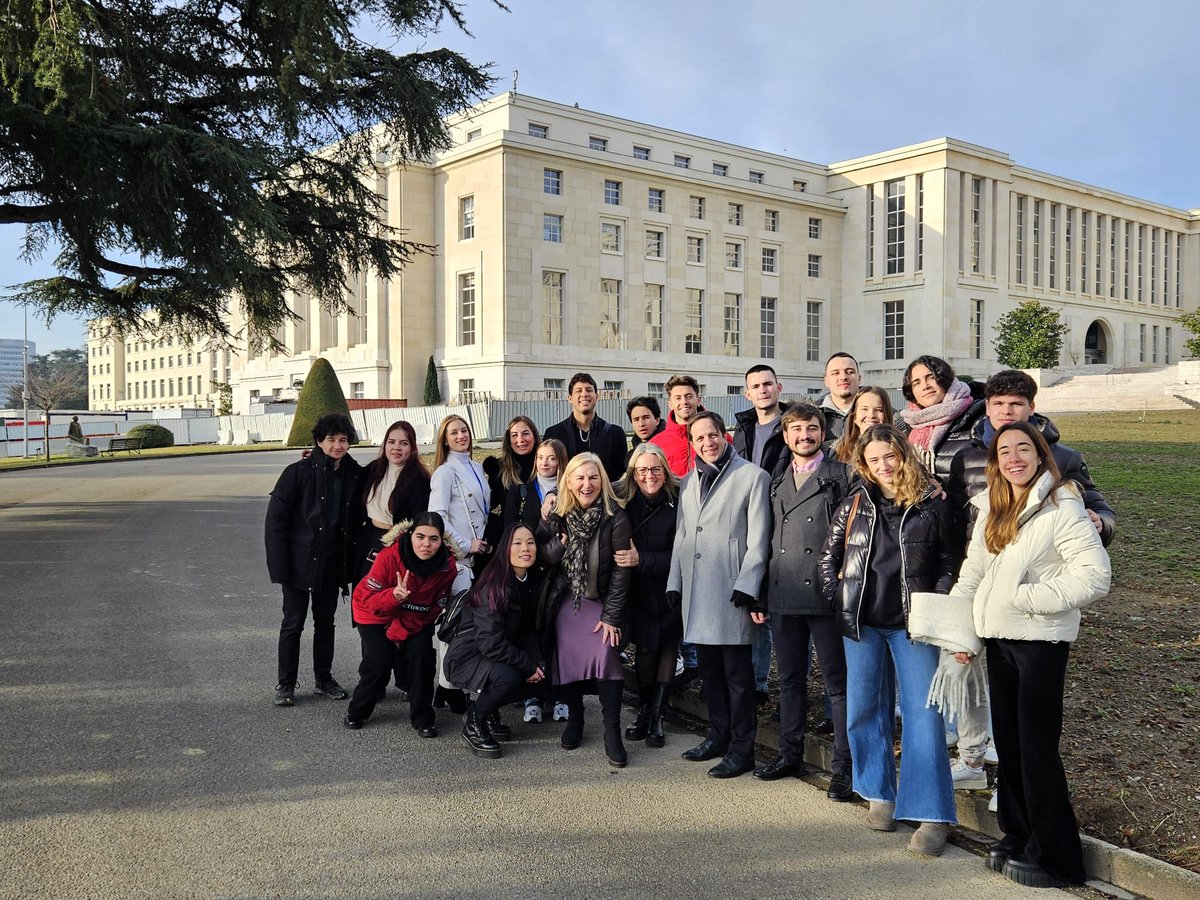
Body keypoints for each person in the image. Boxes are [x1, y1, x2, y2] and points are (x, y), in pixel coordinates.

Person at [946, 422, 1110, 887]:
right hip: (999, 641)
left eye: (1024, 449)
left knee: (1037, 751)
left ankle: (1059, 858)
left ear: (1041, 455)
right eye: (1004, 451)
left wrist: (1026, 597)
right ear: (995, 461)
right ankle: (1018, 836)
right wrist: (961, 633)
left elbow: (1095, 576)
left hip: (1040, 642)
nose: (1014, 458)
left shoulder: (1063, 505)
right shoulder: (993, 507)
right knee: (1012, 748)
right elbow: (973, 571)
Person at [943, 369, 1117, 789]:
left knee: (1029, 730)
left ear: (1032, 409)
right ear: (987, 408)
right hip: (983, 595)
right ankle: (983, 776)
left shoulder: (1065, 465)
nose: (1006, 412)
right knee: (987, 702)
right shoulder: (966, 457)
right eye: (998, 404)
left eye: (1016, 405)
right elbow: (955, 529)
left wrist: (1102, 524)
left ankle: (1022, 804)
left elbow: (1096, 515)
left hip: (1030, 610)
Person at [818, 424, 960, 856]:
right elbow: (829, 558)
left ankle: (932, 812)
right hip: (862, 625)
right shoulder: (855, 503)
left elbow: (951, 560)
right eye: (874, 459)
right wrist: (836, 593)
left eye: (890, 456)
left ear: (904, 454)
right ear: (864, 463)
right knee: (864, 709)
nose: (884, 466)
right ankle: (880, 792)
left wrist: (934, 601)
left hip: (912, 626)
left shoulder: (931, 503)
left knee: (924, 715)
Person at [754, 404, 853, 801]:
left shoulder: (842, 475)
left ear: (822, 433)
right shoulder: (778, 479)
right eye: (796, 430)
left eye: (811, 429)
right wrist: (762, 592)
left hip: (826, 595)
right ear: (785, 434)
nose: (804, 436)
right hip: (783, 593)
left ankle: (843, 770)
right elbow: (768, 540)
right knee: (790, 681)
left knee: (837, 686)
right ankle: (789, 753)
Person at [666, 411, 771, 779]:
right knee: (710, 674)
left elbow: (759, 539)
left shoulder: (752, 477)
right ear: (692, 444)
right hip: (697, 591)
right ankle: (718, 735)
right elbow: (682, 535)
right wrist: (673, 582)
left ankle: (743, 750)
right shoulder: (689, 480)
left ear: (724, 435)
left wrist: (748, 585)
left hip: (731, 591)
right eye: (699, 438)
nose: (707, 442)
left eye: (713, 435)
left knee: (738, 679)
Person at [537, 452, 634, 767]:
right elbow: (543, 556)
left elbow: (622, 572)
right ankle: (575, 717)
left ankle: (611, 730)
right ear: (569, 481)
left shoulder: (614, 516)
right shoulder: (558, 513)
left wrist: (612, 616)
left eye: (593, 477)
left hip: (602, 600)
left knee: (605, 653)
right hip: (566, 597)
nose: (586, 484)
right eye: (580, 477)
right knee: (567, 651)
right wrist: (560, 544)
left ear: (602, 480)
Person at [265, 413, 363, 707]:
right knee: (292, 623)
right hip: (298, 562)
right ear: (319, 441)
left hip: (331, 565)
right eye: (331, 439)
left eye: (343, 440)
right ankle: (285, 684)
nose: (337, 445)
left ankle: (323, 678)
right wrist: (279, 566)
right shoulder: (297, 472)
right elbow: (276, 522)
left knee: (326, 623)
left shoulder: (353, 474)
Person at [344, 512, 460, 734]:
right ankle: (357, 710)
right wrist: (393, 597)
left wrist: (399, 630)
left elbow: (435, 608)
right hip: (374, 610)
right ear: (410, 535)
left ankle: (423, 718)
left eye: (433, 539)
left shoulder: (448, 567)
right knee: (380, 659)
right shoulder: (389, 556)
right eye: (420, 537)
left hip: (415, 615)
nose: (426, 544)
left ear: (441, 541)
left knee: (422, 656)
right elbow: (368, 600)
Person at [445, 524, 548, 759]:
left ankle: (489, 711)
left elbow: (527, 629)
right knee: (509, 677)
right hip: (468, 656)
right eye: (517, 543)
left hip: (493, 652)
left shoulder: (527, 580)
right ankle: (475, 721)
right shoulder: (493, 586)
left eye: (530, 542)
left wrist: (537, 663)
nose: (526, 548)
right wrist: (526, 665)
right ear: (505, 549)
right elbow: (490, 642)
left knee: (543, 675)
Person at [614, 443, 680, 749]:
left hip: (670, 587)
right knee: (645, 650)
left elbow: (684, 553)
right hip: (638, 591)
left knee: (667, 647)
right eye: (642, 470)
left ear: (665, 472)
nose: (649, 475)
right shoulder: (622, 503)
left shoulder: (679, 503)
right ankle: (644, 708)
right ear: (633, 474)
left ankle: (657, 715)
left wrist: (644, 560)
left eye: (655, 469)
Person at [731, 363, 790, 706]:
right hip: (749, 518)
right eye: (756, 386)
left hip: (782, 518)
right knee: (752, 600)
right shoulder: (743, 428)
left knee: (772, 606)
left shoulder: (790, 424)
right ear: (747, 393)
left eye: (768, 384)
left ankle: (772, 684)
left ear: (779, 387)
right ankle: (754, 680)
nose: (763, 390)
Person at [501, 436, 568, 724]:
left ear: (560, 461)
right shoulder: (523, 491)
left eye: (551, 458)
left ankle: (561, 695)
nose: (545, 463)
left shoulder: (571, 489)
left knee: (559, 637)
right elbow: (511, 533)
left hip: (562, 577)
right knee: (532, 635)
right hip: (530, 573)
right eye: (541, 457)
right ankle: (532, 697)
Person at [428, 414, 490, 714]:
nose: (461, 435)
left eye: (464, 430)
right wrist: (465, 544)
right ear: (445, 438)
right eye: (454, 432)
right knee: (452, 626)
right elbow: (437, 516)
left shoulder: (476, 467)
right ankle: (448, 686)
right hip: (458, 560)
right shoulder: (444, 472)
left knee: (465, 624)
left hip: (476, 559)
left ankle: (446, 686)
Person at [354, 420, 432, 581]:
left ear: (412, 448)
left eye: (403, 443)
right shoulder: (374, 469)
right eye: (391, 442)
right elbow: (347, 472)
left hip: (398, 544)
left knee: (388, 599)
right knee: (362, 598)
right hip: (370, 538)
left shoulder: (420, 481)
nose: (396, 447)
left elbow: (419, 521)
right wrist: (320, 456)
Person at [895, 355, 984, 479]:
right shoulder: (905, 427)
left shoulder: (977, 418)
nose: (925, 386)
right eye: (916, 383)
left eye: (931, 377)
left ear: (946, 379)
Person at [543, 373, 627, 482]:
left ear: (597, 396)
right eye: (579, 390)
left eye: (589, 390)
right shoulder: (553, 434)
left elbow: (620, 476)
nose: (584, 394)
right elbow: (547, 473)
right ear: (569, 398)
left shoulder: (615, 434)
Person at [482, 416, 540, 564]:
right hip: (509, 541)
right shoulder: (499, 469)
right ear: (509, 440)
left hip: (540, 538)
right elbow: (488, 506)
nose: (520, 440)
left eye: (525, 433)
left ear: (534, 435)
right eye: (514, 435)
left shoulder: (545, 465)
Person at [650, 374, 705, 477]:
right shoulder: (656, 445)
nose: (684, 402)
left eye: (689, 396)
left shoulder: (718, 436)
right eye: (678, 398)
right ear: (670, 404)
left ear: (698, 400)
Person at [833, 387, 894, 465]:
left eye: (878, 410)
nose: (871, 415)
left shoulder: (898, 447)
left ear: (887, 415)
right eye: (864, 409)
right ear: (854, 415)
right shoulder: (838, 449)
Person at [819, 353, 862, 442]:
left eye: (850, 372)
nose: (843, 377)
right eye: (835, 373)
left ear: (859, 378)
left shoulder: (882, 413)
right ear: (826, 381)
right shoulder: (812, 416)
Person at [625, 395, 665, 460]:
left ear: (657, 420)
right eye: (636, 419)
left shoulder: (670, 448)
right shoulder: (630, 456)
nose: (641, 424)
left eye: (646, 418)